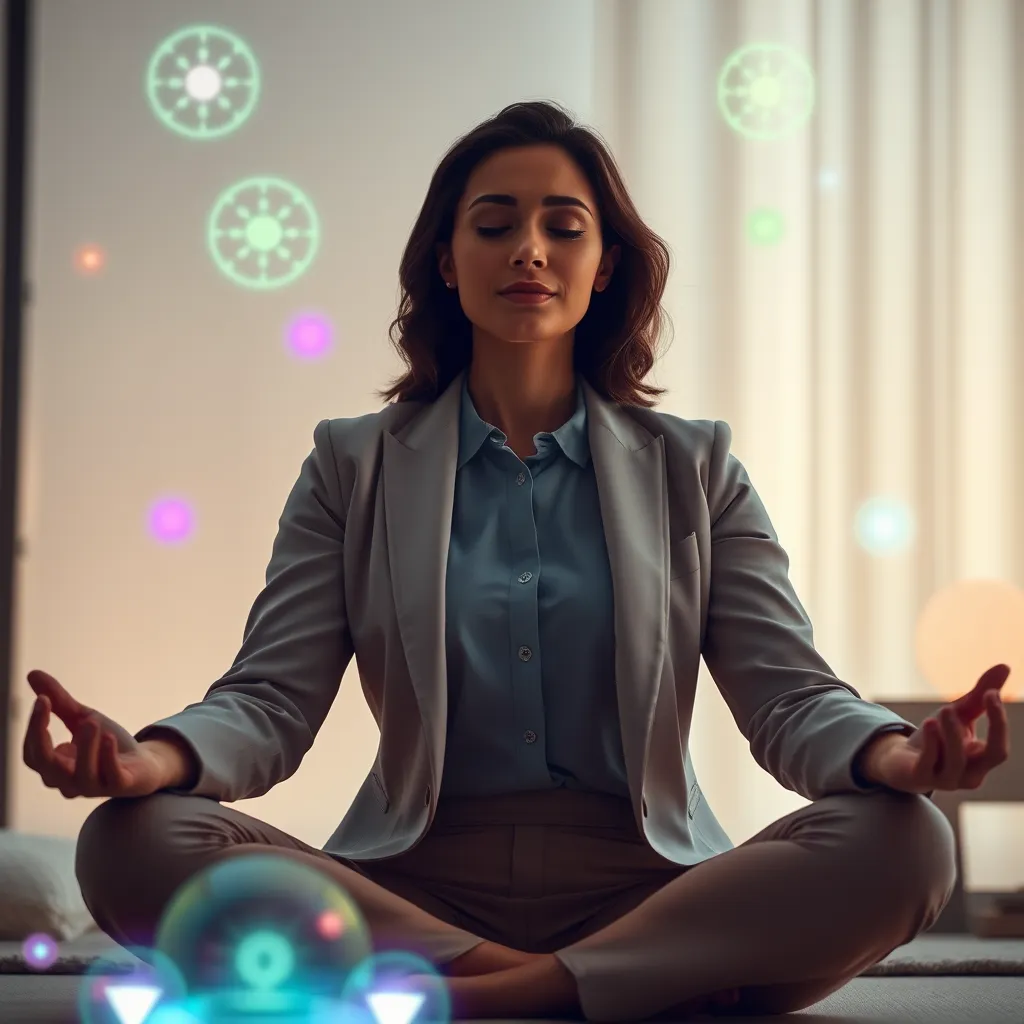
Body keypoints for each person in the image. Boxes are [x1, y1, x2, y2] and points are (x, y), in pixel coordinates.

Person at [23, 101, 1010, 1022]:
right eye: (493, 224)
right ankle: (598, 990)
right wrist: (148, 759)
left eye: (563, 226)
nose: (528, 250)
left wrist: (898, 753)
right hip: (415, 880)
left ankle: (487, 998)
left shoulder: (694, 466)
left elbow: (787, 696)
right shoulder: (352, 463)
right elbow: (269, 701)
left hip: (645, 882)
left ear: (606, 263)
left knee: (906, 838)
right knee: (129, 839)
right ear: (446, 262)